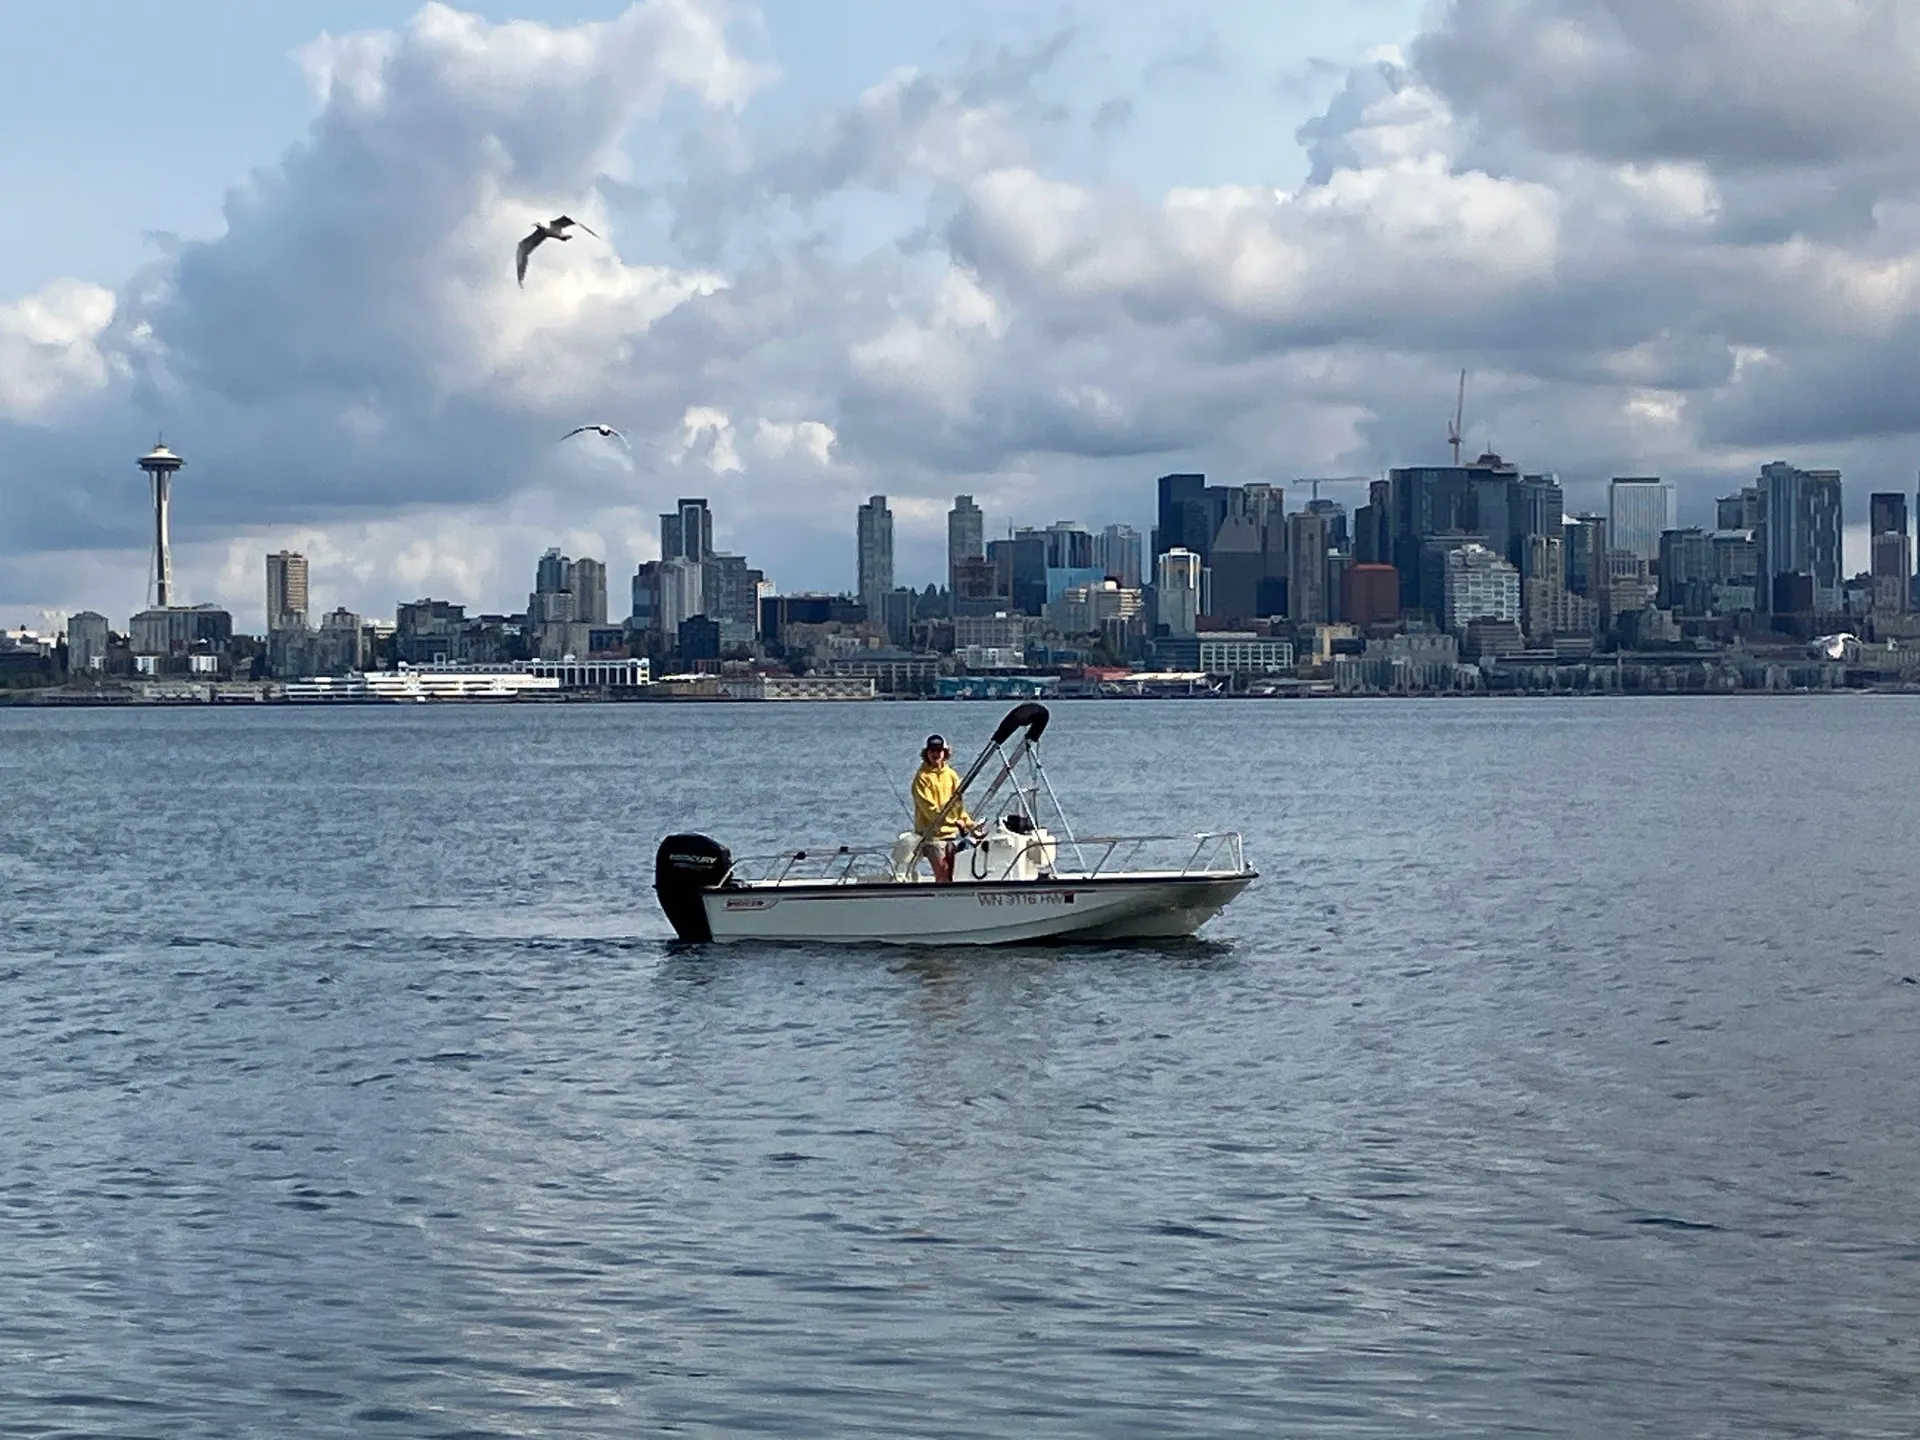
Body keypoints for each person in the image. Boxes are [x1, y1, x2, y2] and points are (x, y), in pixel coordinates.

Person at [911, 733, 976, 883]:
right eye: (932, 751)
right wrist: (954, 822)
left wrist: (972, 826)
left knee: (956, 875)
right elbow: (931, 811)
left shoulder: (951, 775)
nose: (936, 754)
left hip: (952, 835)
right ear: (926, 753)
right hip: (932, 836)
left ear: (945, 753)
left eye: (939, 751)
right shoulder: (921, 778)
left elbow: (958, 808)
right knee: (943, 875)